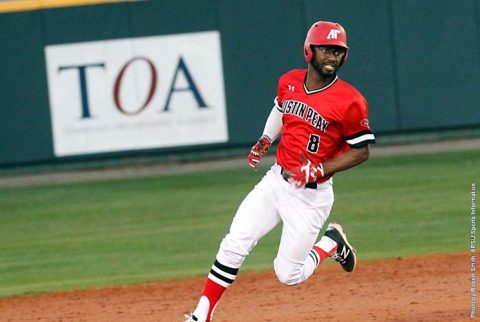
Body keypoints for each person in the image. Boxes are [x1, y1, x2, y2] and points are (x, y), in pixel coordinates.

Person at [184, 20, 375, 322]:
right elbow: (280, 108)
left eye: (338, 51)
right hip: (276, 180)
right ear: (309, 51)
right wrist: (264, 138)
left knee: (288, 274)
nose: (332, 57)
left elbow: (361, 150)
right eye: (326, 49)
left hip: (311, 197)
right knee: (235, 242)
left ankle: (331, 243)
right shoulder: (288, 81)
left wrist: (320, 168)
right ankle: (201, 315)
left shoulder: (350, 101)